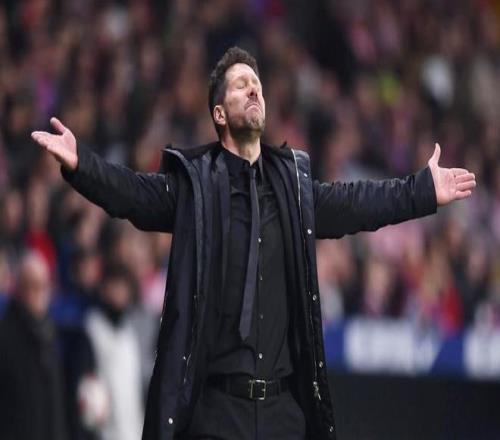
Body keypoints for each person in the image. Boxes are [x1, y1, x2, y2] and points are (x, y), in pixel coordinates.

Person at [31, 47, 476, 440]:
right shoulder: (194, 188)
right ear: (219, 114)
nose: (253, 90)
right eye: (241, 84)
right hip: (214, 414)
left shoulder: (293, 189)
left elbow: (357, 203)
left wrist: (421, 190)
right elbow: (130, 193)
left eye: (257, 84)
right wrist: (81, 164)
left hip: (283, 415)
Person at [0, 251, 67, 440]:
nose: (38, 294)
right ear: (18, 289)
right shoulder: (5, 336)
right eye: (31, 285)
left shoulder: (50, 333)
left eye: (43, 286)